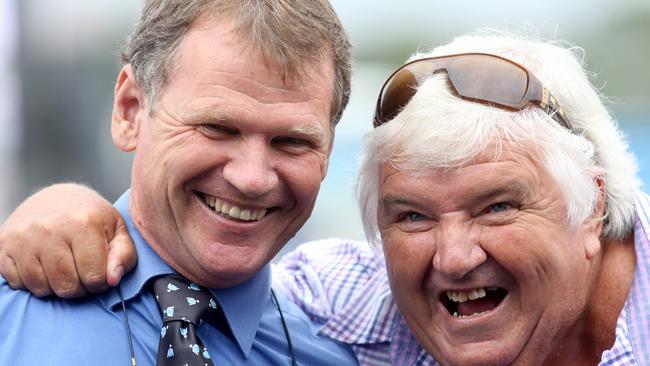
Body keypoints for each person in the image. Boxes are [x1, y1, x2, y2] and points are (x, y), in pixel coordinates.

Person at [3, 31, 650, 365]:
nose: (452, 257)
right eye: (412, 216)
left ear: (591, 207)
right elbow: (197, 267)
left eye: (498, 207)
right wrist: (62, 211)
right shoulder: (353, 302)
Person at [0, 0, 359, 365]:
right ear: (130, 110)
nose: (252, 178)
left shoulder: (342, 353)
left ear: (327, 149)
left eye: (293, 142)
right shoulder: (11, 310)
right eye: (217, 128)